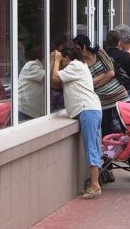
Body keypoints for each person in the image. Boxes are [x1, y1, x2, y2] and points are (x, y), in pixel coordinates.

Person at [51, 48, 102, 200]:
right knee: (93, 145)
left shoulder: (74, 66)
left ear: (67, 57)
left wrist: (56, 60)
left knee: (91, 146)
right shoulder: (80, 66)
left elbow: (54, 78)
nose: (62, 65)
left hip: (88, 110)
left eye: (63, 60)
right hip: (91, 110)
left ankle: (95, 185)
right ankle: (95, 182)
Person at [73, 34, 129, 137]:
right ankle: (110, 152)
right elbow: (86, 82)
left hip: (118, 95)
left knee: (126, 126)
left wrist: (93, 83)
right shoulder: (79, 63)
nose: (75, 51)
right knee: (106, 129)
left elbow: (111, 72)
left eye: (77, 48)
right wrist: (103, 75)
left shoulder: (99, 53)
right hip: (101, 100)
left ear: (84, 46)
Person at [105, 30, 130, 103]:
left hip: (106, 93)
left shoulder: (102, 56)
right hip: (126, 92)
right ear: (119, 42)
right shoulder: (126, 56)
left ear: (107, 42)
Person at [18, 46, 46, 121]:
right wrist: (55, 61)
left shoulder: (38, 67)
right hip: (25, 110)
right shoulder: (32, 65)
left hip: (30, 111)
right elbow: (48, 78)